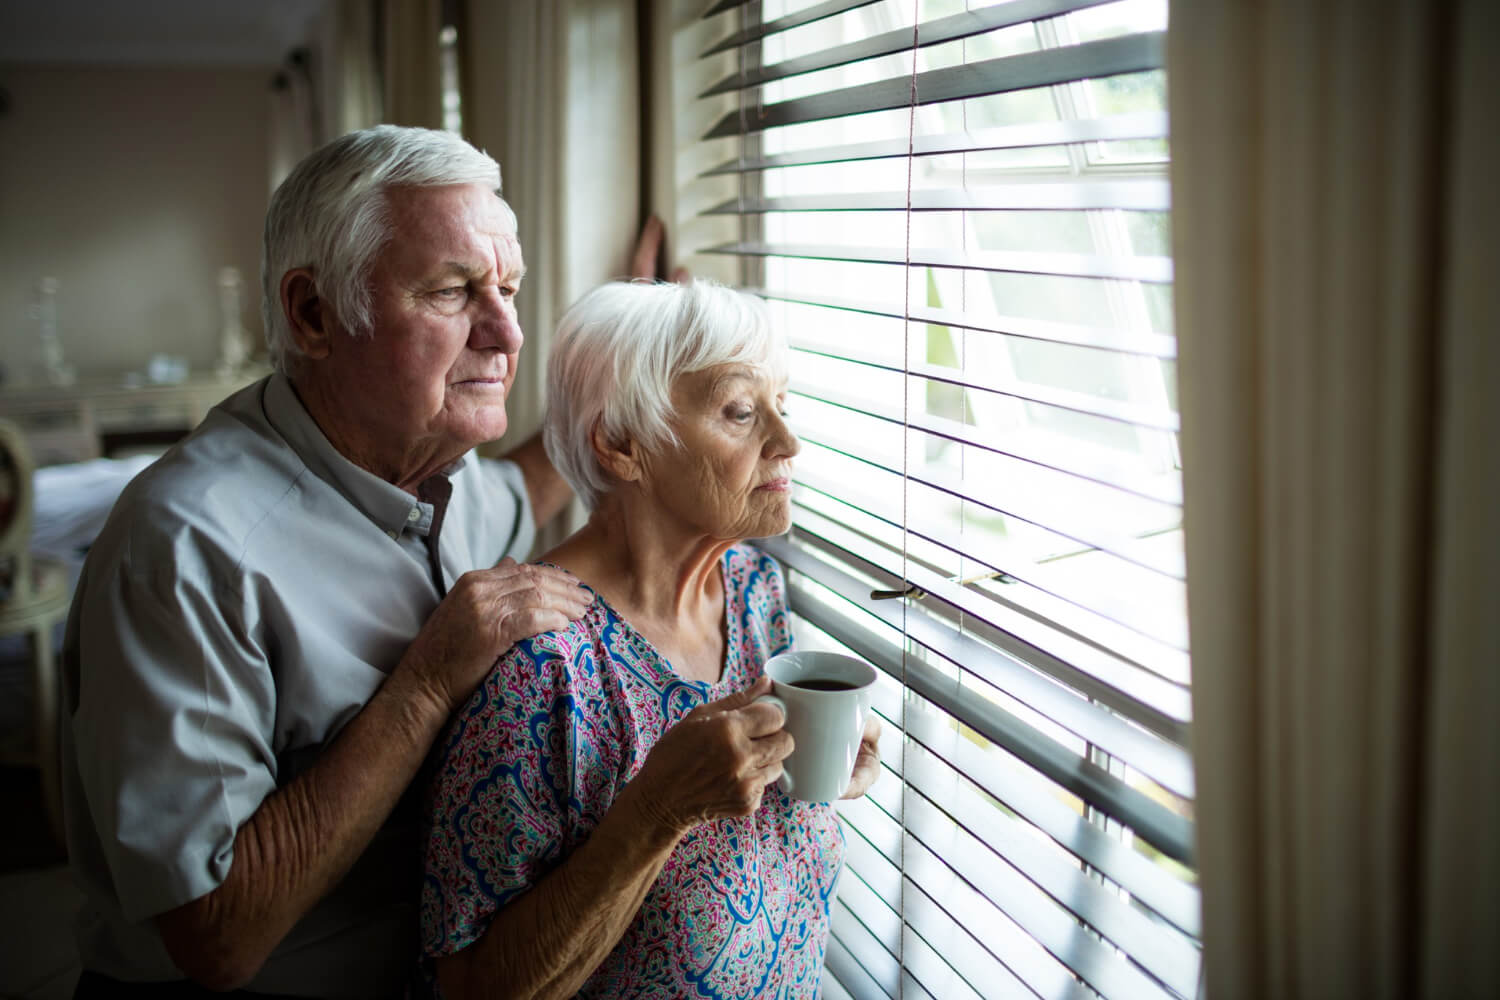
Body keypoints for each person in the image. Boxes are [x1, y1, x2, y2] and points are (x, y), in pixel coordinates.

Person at [59, 125, 595, 996]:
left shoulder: (430, 463)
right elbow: (215, 939)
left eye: (509, 288)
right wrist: (427, 682)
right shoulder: (188, 545)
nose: (504, 332)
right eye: (454, 291)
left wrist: (629, 367)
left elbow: (529, 487)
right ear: (314, 314)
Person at [419, 279, 883, 999]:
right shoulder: (542, 669)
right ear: (622, 444)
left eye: (781, 407)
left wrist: (820, 760)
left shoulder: (754, 591)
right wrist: (660, 809)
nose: (787, 442)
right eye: (740, 412)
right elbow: (472, 989)